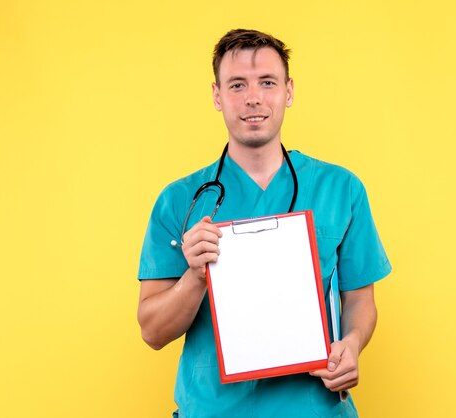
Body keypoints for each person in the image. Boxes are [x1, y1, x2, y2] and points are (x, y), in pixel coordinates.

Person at [137, 28, 391, 417]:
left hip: (313, 409)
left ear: (289, 91)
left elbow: (359, 299)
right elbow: (152, 332)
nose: (253, 97)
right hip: (213, 409)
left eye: (267, 82)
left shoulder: (341, 189)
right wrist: (195, 276)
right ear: (217, 96)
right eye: (237, 85)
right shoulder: (179, 201)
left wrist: (353, 343)